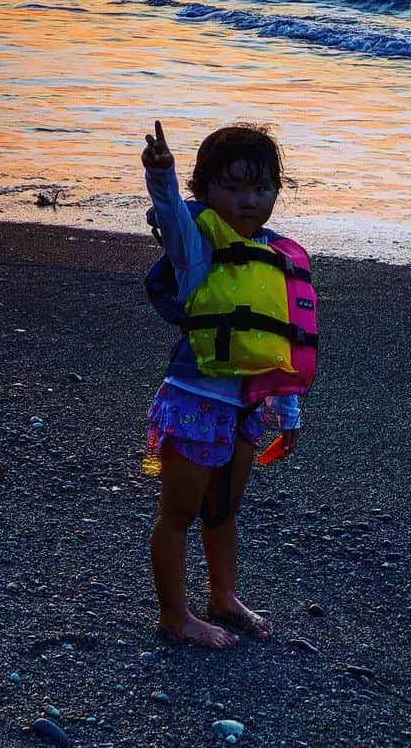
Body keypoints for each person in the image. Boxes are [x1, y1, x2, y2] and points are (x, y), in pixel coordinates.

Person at [141, 119, 314, 649]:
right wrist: (161, 176)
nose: (248, 200)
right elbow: (171, 217)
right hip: (195, 399)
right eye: (232, 187)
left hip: (246, 407)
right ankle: (175, 615)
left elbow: (284, 340)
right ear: (205, 190)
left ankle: (223, 596)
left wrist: (289, 412)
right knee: (180, 513)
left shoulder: (278, 257)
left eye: (260, 187)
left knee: (223, 511)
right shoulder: (197, 251)